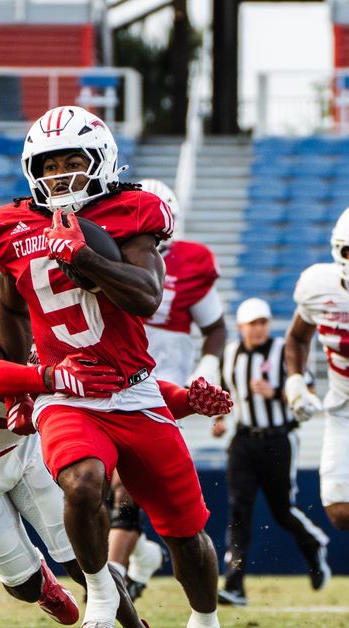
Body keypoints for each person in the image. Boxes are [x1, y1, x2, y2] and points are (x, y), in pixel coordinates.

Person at [0, 105, 238, 628]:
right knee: (83, 482)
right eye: (50, 165)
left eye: (75, 161)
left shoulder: (132, 212)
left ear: (101, 160)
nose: (62, 175)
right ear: (31, 170)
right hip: (67, 391)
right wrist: (26, 376)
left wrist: (86, 258)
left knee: (185, 534)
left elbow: (147, 296)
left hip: (133, 390)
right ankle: (100, 591)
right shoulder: (9, 227)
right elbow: (13, 306)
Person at [0, 289, 174, 628]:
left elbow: (116, 388)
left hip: (25, 453)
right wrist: (53, 375)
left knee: (85, 558)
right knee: (22, 586)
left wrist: (181, 398)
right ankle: (40, 583)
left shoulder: (65, 327)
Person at [107, 178, 227, 600]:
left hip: (160, 387)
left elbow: (215, 327)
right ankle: (139, 556)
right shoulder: (106, 251)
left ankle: (114, 575)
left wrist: (208, 368)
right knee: (101, 483)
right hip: (106, 375)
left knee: (126, 481)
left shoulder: (190, 263)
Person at [213, 297, 331, 607]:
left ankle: (313, 543)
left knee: (281, 510)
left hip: (279, 440)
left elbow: (309, 392)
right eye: (253, 323)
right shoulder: (231, 354)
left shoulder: (283, 351)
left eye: (263, 322)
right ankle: (234, 583)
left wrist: (276, 394)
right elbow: (223, 392)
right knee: (239, 511)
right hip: (242, 442)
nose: (259, 328)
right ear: (241, 327)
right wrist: (220, 419)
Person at [285, 200, 349, 533]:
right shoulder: (319, 285)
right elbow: (297, 338)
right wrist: (296, 380)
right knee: (343, 515)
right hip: (345, 405)